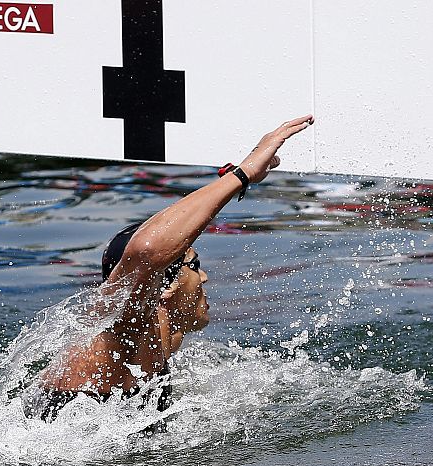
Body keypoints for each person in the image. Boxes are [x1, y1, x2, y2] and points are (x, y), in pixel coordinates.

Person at [22, 115, 315, 422]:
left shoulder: (153, 336)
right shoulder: (125, 327)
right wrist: (241, 175)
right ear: (166, 284)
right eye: (194, 265)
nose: (204, 276)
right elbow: (147, 252)